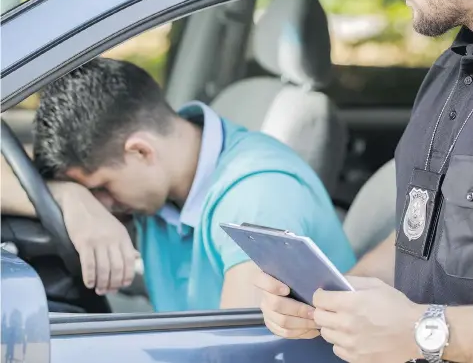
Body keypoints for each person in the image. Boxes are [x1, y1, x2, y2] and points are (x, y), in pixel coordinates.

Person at [1, 57, 356, 312]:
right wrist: (72, 198)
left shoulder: (256, 196)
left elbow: (236, 352)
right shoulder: (167, 170)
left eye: (102, 188)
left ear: (140, 150)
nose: (104, 204)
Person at [255, 0, 473, 363]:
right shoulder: (450, 69)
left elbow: (415, 327)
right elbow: (422, 235)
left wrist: (422, 330)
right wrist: (330, 300)